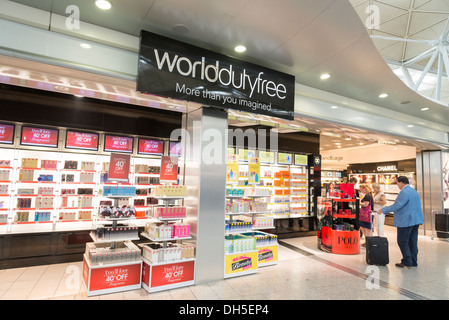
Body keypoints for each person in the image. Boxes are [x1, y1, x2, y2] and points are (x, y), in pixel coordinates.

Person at [378, 176, 424, 268]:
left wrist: (383, 210)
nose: (397, 185)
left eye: (397, 183)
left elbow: (397, 205)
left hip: (406, 220)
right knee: (413, 241)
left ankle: (407, 261)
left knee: (402, 241)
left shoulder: (404, 192)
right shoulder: (413, 191)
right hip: (415, 220)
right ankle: (413, 261)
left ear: (401, 182)